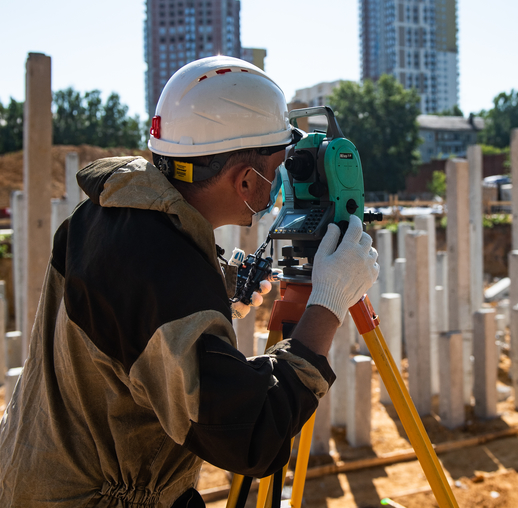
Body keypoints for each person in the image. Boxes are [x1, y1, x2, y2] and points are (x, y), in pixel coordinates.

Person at [0, 56, 379, 507]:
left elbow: (128, 319)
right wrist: (328, 303)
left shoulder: (108, 214)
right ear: (244, 180)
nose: (282, 179)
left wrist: (212, 291)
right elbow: (252, 435)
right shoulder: (166, 272)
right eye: (279, 165)